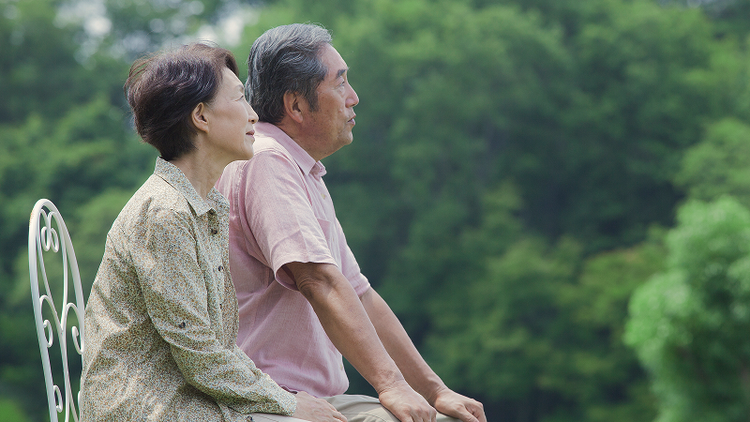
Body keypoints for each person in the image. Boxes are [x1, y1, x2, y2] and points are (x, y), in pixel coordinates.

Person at [216, 24, 487, 422]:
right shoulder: (268, 160)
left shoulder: (301, 168)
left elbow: (359, 294)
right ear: (296, 105)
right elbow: (319, 281)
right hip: (270, 400)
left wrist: (434, 391)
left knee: (448, 417)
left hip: (317, 399)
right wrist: (392, 386)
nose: (353, 97)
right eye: (340, 82)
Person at [80, 42, 346, 422]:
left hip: (188, 399)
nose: (254, 115)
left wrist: (281, 399)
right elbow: (200, 354)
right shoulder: (166, 214)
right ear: (201, 116)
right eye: (240, 98)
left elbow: (213, 348)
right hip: (147, 407)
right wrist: (288, 402)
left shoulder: (207, 206)